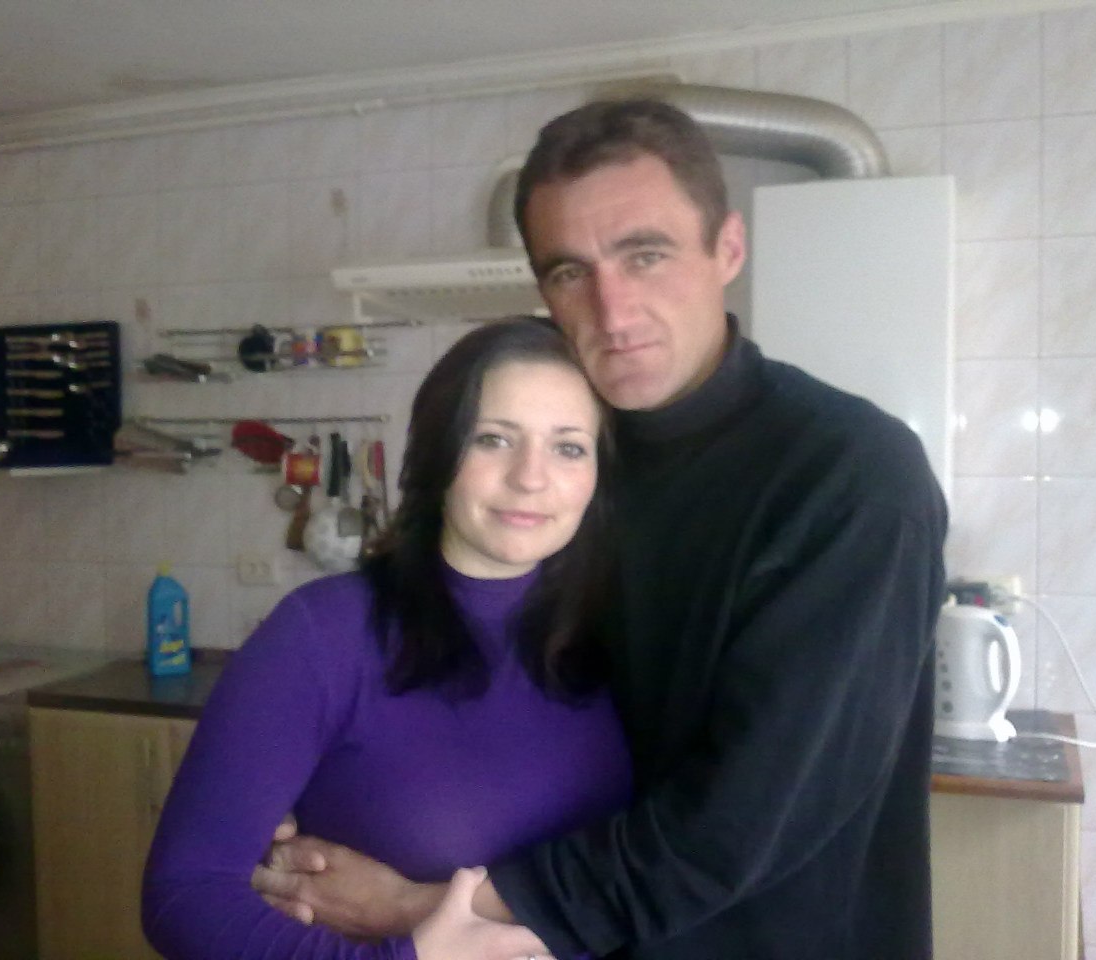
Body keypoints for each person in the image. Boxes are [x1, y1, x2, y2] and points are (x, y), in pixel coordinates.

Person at [253, 98, 949, 960]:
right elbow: (483, 676)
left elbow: (737, 827)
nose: (613, 311)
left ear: (728, 249)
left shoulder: (849, 477)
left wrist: (426, 909)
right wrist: (313, 788)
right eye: (569, 272)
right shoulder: (573, 464)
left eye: (645, 255)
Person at [141, 316, 633, 960]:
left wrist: (407, 906)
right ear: (437, 453)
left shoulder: (627, 636)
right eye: (492, 439)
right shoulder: (323, 635)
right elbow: (185, 896)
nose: (530, 477)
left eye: (569, 447)